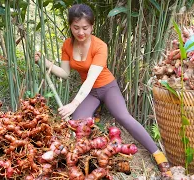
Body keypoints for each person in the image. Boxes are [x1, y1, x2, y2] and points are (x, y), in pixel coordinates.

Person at [35, 3, 172, 178]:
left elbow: (92, 78)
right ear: (70, 26)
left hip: (107, 87)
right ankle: (93, 120)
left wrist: (74, 103)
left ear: (92, 26)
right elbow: (64, 73)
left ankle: (157, 153)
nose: (81, 32)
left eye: (85, 28)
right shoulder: (67, 45)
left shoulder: (100, 46)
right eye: (76, 27)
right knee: (77, 123)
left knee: (123, 117)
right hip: (91, 92)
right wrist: (44, 62)